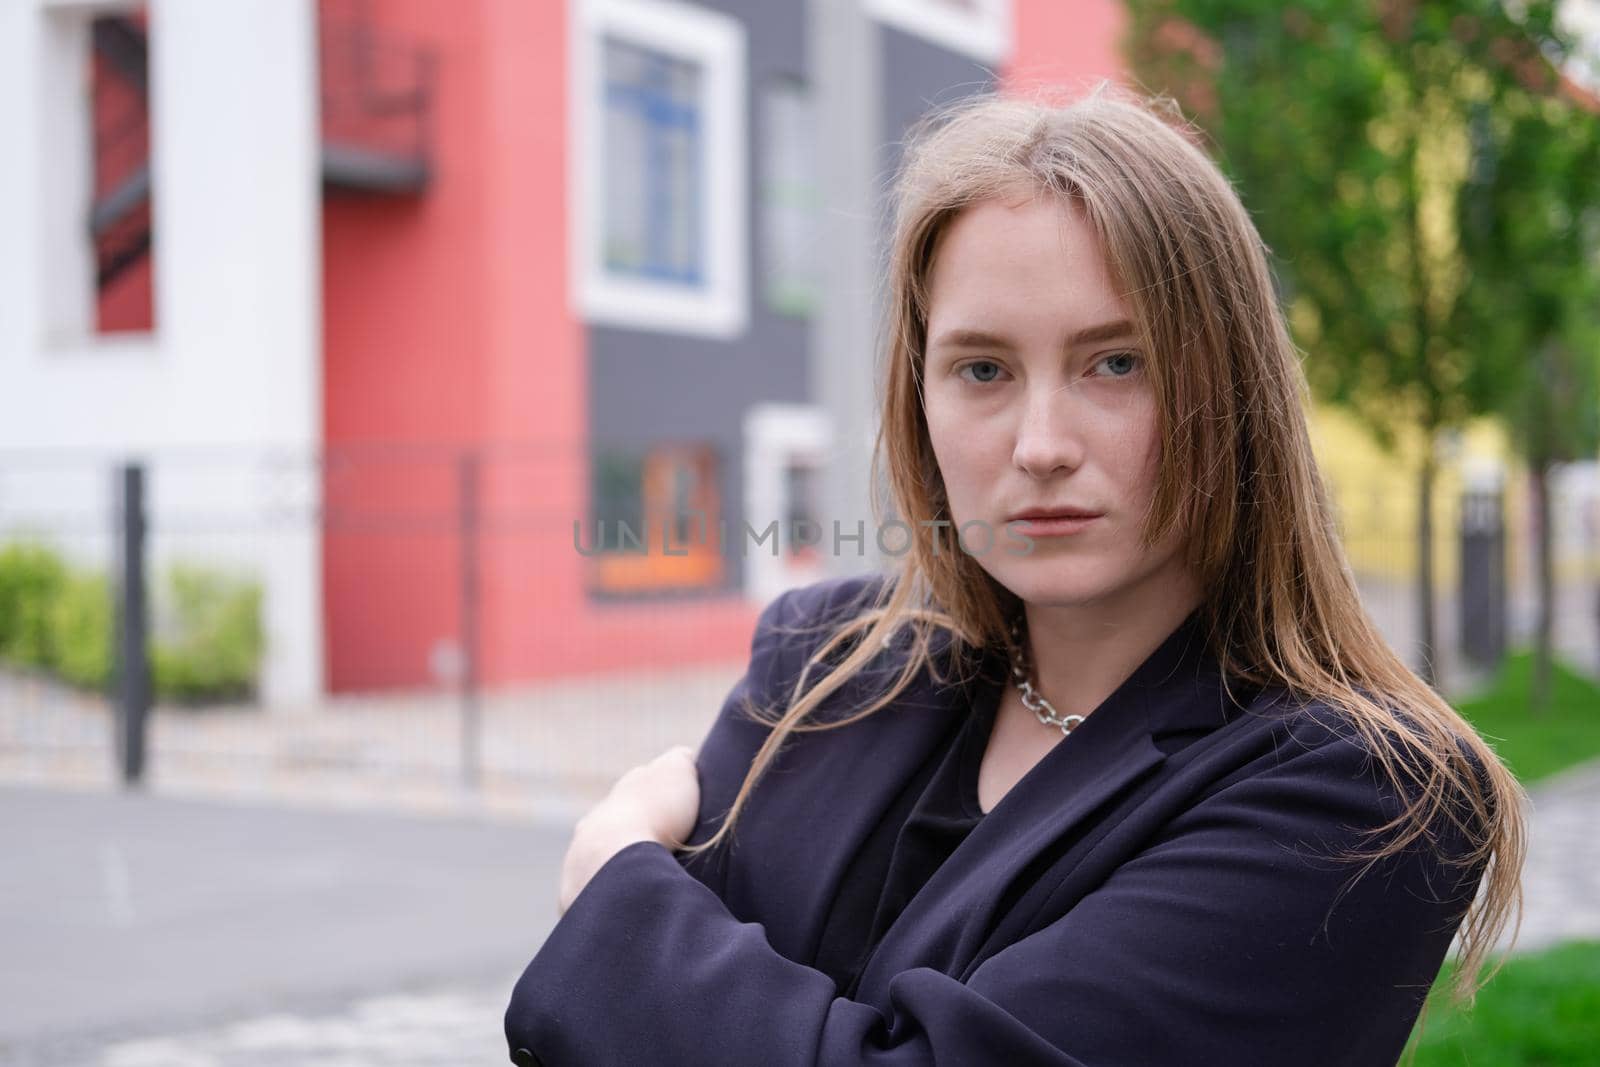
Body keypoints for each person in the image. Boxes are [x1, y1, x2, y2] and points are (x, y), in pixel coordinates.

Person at [505, 84, 1527, 1066]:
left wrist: (616, 884)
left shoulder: (1363, 794)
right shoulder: (823, 668)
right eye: (982, 369)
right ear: (921, 397)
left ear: (1233, 386)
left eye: (1116, 362)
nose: (1040, 444)